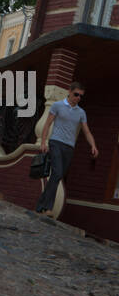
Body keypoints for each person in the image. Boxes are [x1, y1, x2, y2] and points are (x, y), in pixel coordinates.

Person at [35, 82, 98, 215]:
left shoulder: (81, 113)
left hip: (69, 147)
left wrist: (93, 145)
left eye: (81, 96)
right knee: (57, 173)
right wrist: (43, 142)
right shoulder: (57, 106)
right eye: (76, 94)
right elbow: (47, 124)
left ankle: (41, 205)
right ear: (69, 92)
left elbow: (86, 131)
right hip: (56, 142)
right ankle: (48, 208)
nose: (78, 98)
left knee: (57, 177)